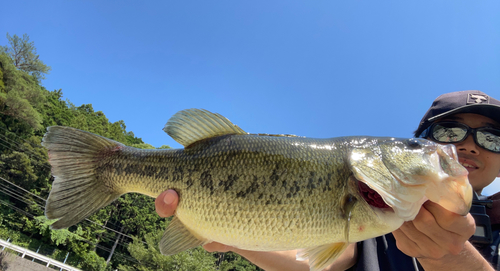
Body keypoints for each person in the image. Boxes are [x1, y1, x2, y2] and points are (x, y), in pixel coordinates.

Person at [155, 90, 500, 271]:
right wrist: (232, 233)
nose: (468, 145)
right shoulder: (381, 206)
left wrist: (451, 262)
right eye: (449, 131)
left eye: (492, 139)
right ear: (421, 138)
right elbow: (322, 261)